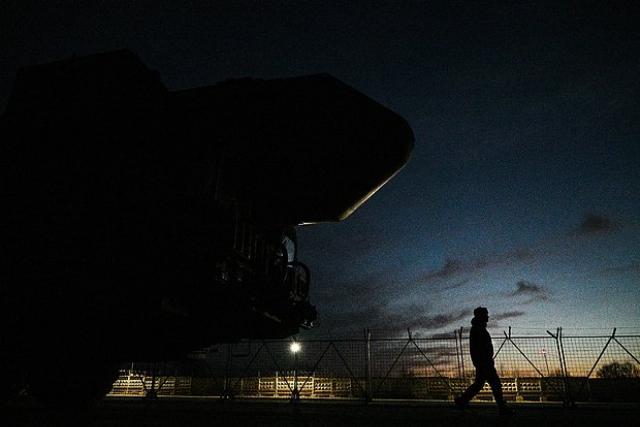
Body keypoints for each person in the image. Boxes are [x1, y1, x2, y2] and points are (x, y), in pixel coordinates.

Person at [454, 307, 512, 415]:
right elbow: (480, 347)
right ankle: (502, 408)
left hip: (483, 362)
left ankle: (462, 400)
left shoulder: (478, 328)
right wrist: (485, 359)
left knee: (479, 384)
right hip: (484, 363)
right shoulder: (478, 329)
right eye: (486, 314)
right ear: (481, 316)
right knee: (495, 384)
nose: (487, 316)